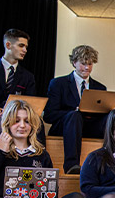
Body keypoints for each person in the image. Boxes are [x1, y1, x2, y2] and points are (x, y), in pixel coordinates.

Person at [44, 45, 107, 174]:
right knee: (74, 116)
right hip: (66, 127)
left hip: (89, 127)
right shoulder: (58, 84)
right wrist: (75, 111)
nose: (87, 68)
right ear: (74, 63)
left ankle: (108, 164)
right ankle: (72, 165)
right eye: (83, 63)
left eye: (90, 64)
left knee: (112, 116)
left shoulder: (100, 87)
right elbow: (49, 115)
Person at [0, 29, 44, 144]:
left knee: (38, 122)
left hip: (19, 117)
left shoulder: (28, 76)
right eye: (21, 46)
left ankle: (38, 159)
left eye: (26, 47)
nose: (25, 50)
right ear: (8, 45)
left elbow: (31, 102)